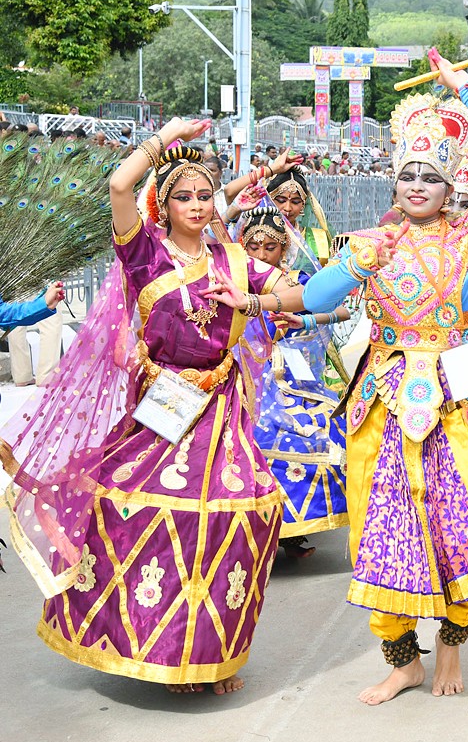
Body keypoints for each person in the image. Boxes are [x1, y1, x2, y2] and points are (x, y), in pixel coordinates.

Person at [4, 118, 309, 694]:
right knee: (142, 512)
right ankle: (155, 648)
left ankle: (213, 656)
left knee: (240, 517)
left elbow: (301, 290)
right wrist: (163, 137)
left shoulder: (235, 261)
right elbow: (120, 187)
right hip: (163, 407)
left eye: (204, 195)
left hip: (220, 409)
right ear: (163, 206)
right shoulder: (144, 254)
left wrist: (258, 299)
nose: (196, 204)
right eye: (184, 196)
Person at [301, 51, 468, 704]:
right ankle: (403, 661)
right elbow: (318, 296)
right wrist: (356, 260)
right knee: (378, 530)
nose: (420, 185)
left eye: (432, 175)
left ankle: (452, 645)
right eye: (408, 176)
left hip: (456, 399)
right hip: (383, 400)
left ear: (450, 183)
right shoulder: (376, 241)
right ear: (393, 183)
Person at [237, 206, 352, 560]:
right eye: (252, 247)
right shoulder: (232, 284)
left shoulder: (296, 282)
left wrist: (302, 323)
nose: (260, 255)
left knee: (321, 430)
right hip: (243, 380)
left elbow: (343, 310)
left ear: (284, 248)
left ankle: (290, 535)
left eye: (269, 247)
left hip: (289, 378)